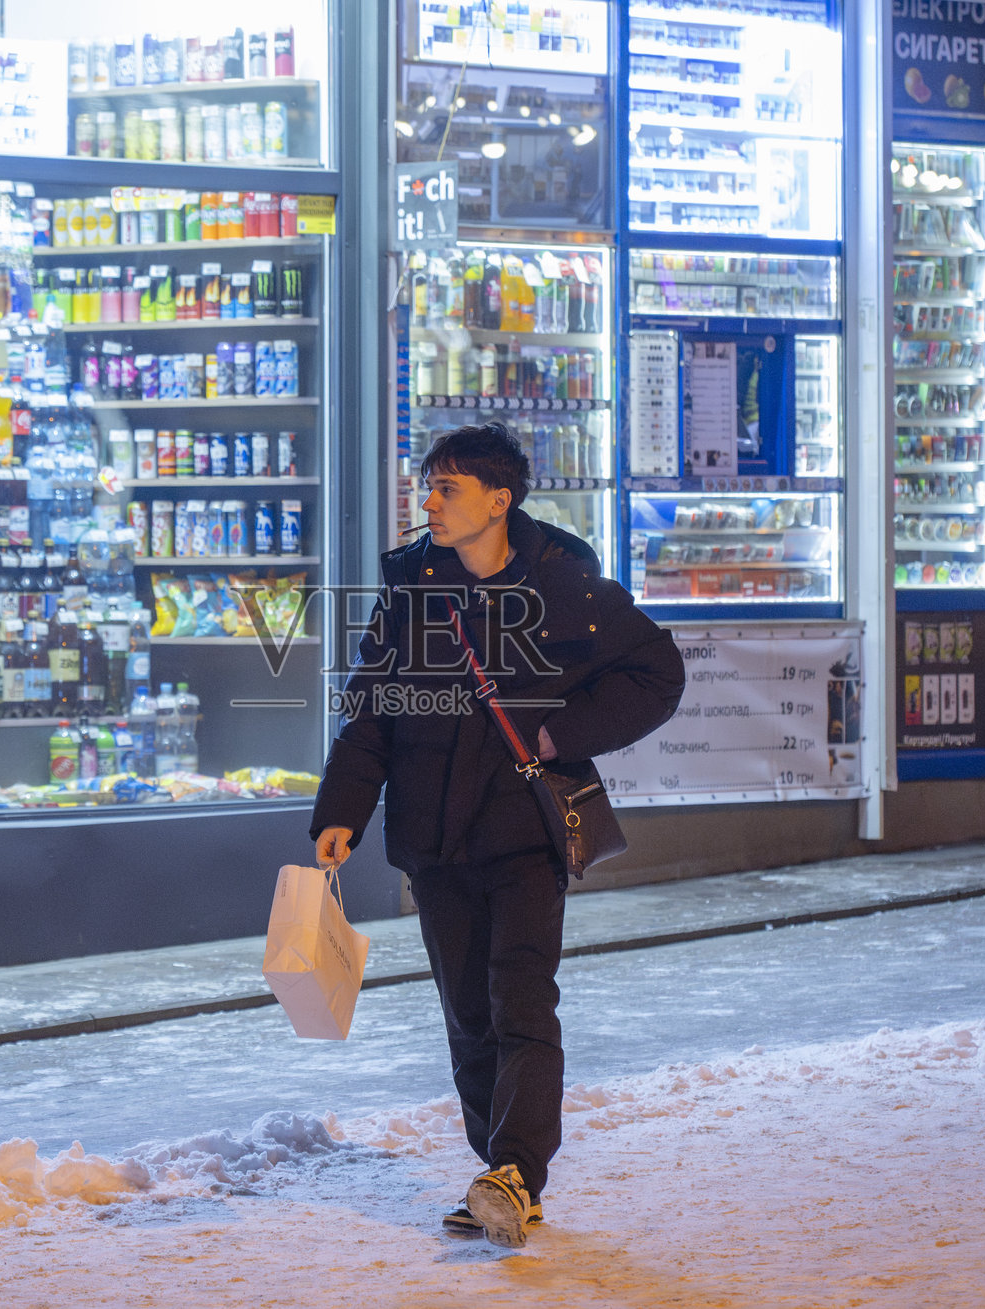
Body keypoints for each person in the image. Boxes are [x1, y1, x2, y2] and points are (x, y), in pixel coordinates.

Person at [310, 421, 685, 1248]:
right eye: (426, 486)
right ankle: (498, 1174)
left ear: (498, 499)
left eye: (446, 488)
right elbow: (374, 706)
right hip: (432, 838)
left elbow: (659, 673)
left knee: (521, 1002)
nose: (428, 501)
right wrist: (341, 810)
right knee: (468, 1016)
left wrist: (559, 732)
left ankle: (516, 1169)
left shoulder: (566, 583)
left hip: (521, 834)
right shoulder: (412, 586)